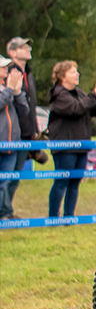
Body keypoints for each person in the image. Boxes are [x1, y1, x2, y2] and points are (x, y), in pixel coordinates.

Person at [47, 61, 96, 218]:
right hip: (65, 146)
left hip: (81, 145)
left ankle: (69, 216)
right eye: (73, 71)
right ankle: (53, 217)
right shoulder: (58, 94)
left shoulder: (79, 93)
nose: (77, 74)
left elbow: (92, 109)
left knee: (75, 183)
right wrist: (94, 92)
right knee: (61, 182)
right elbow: (77, 109)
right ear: (62, 76)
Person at [2, 37, 38, 219]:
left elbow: (28, 107)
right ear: (12, 53)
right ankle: (5, 212)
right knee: (6, 178)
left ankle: (7, 211)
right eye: (23, 47)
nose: (27, 49)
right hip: (8, 135)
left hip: (25, 134)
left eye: (28, 46)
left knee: (14, 177)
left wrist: (34, 130)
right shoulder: (8, 75)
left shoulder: (28, 74)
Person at [0, 55, 29, 220]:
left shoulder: (7, 87)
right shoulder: (6, 89)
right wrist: (10, 90)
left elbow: (24, 112)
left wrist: (17, 92)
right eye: (3, 66)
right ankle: (4, 213)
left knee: (9, 182)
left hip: (12, 145)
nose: (7, 69)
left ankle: (6, 212)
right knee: (2, 184)